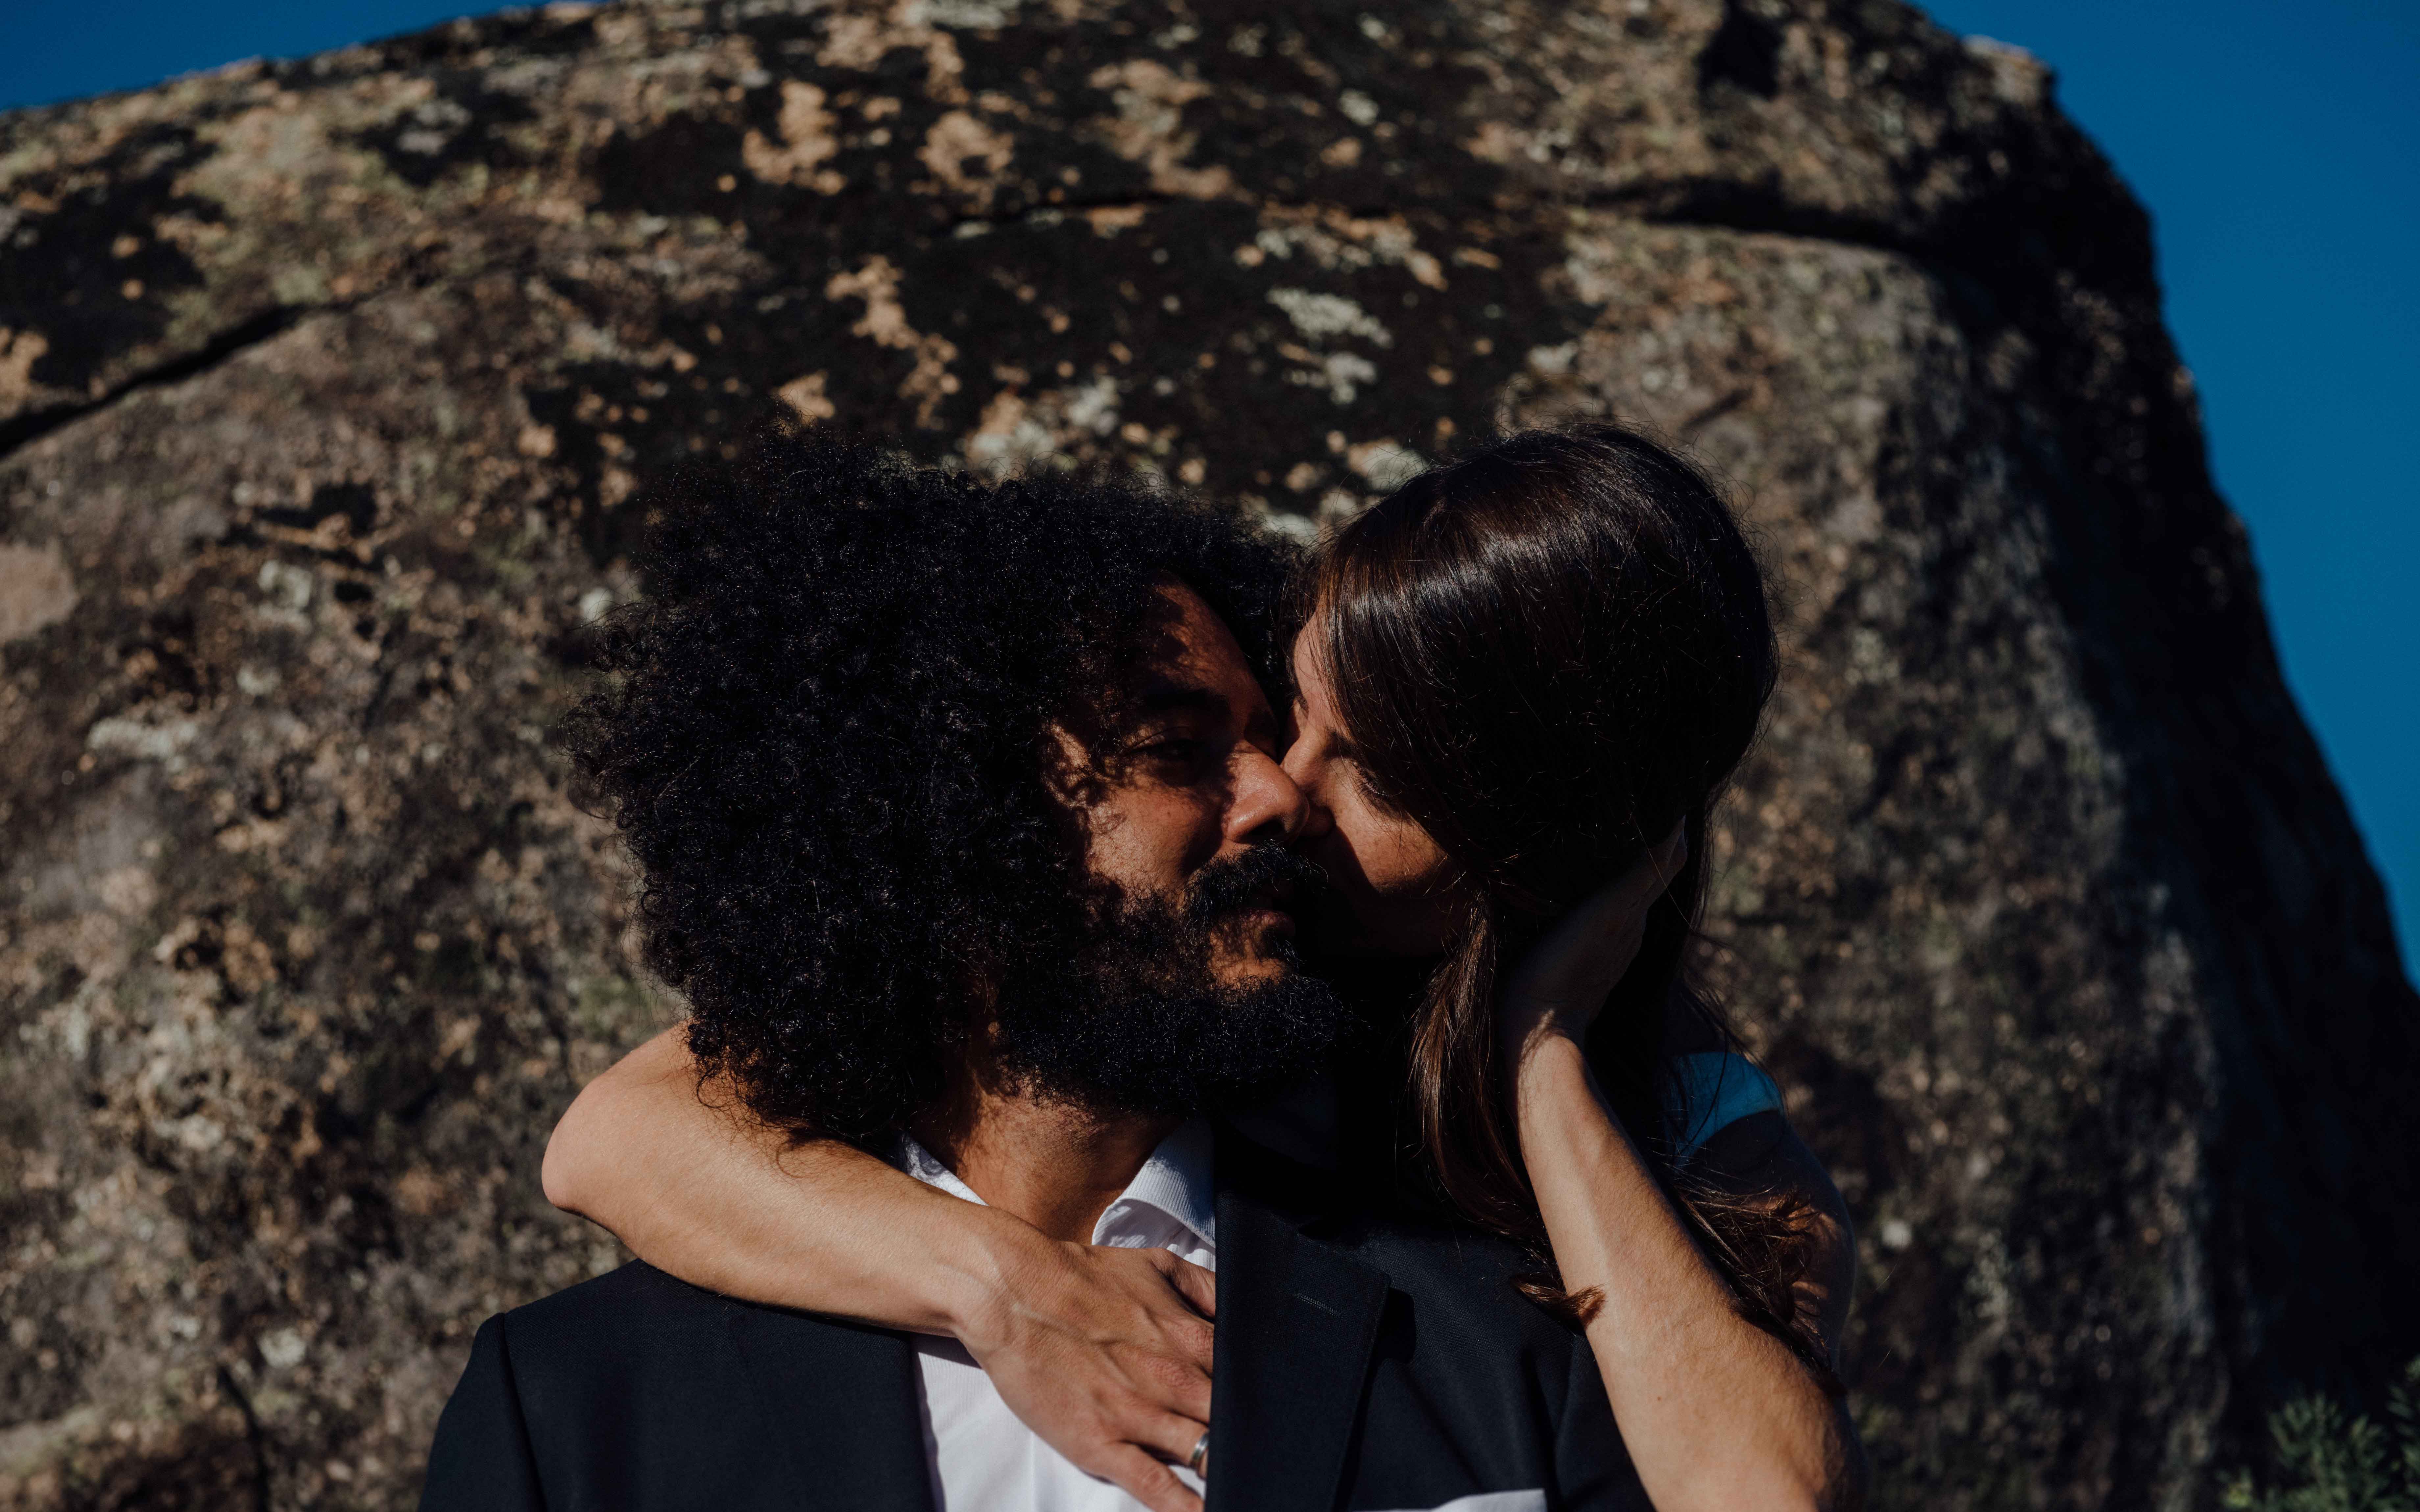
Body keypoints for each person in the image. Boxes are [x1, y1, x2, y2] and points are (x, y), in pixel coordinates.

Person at [539, 427, 1866, 1512]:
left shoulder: (1680, 1106)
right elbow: (616, 1135)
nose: (1285, 788)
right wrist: (1009, 1287)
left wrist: (1543, 1051)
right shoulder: (1197, 955)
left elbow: (1763, 1493)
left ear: (1527, 855)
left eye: (1378, 772)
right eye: (1297, 717)